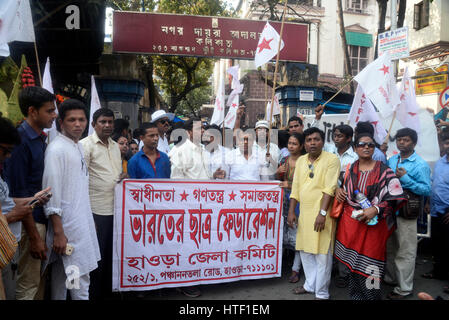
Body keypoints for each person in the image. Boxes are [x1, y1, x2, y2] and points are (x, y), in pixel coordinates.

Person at [334, 133, 406, 300]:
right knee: (353, 267)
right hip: (352, 226)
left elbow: (396, 197)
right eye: (361, 144)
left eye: (370, 145)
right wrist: (337, 190)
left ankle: (372, 297)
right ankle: (356, 297)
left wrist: (376, 209)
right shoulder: (350, 169)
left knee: (371, 267)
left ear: (374, 148)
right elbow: (340, 187)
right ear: (355, 148)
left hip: (374, 228)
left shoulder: (385, 171)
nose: (366, 147)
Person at [42, 99, 101, 300]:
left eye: (81, 120)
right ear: (61, 123)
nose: (78, 124)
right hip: (69, 231)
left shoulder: (76, 146)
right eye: (72, 120)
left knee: (62, 277)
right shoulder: (57, 150)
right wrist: (59, 232)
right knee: (79, 282)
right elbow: (51, 194)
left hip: (78, 225)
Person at [3, 86, 56, 300]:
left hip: (39, 219)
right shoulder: (20, 142)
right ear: (33, 111)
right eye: (49, 111)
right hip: (28, 223)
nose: (54, 115)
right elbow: (17, 196)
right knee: (28, 282)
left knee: (39, 280)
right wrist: (34, 237)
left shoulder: (41, 139)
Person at [287, 127, 340, 300]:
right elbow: (295, 187)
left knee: (322, 254)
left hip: (322, 214)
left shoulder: (332, 159)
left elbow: (330, 188)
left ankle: (322, 292)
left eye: (316, 139)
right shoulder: (301, 160)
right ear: (305, 143)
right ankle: (310, 285)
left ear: (322, 142)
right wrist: (291, 212)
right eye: (309, 140)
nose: (312, 143)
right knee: (305, 251)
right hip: (304, 213)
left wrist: (322, 213)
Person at [384, 128, 431, 299]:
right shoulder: (393, 160)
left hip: (407, 213)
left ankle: (404, 288)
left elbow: (426, 189)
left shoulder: (420, 164)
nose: (402, 143)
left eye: (406, 140)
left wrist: (406, 180)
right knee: (390, 248)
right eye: (400, 140)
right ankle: (391, 279)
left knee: (406, 251)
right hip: (390, 211)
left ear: (414, 142)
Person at [80, 108, 122, 300]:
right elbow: (80, 182)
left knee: (111, 257)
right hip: (96, 211)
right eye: (103, 122)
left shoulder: (114, 145)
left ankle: (108, 293)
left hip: (116, 210)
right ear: (94, 124)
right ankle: (93, 295)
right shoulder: (85, 146)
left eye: (110, 122)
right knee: (96, 259)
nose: (107, 125)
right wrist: (87, 216)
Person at [323, 124, 358, 288]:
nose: (336, 138)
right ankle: (327, 269)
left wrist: (343, 190)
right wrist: (335, 188)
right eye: (335, 135)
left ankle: (344, 273)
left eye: (340, 136)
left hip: (348, 202)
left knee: (345, 237)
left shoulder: (355, 157)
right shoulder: (328, 151)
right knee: (329, 234)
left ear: (349, 138)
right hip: (328, 199)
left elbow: (356, 180)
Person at [423, 130, 449, 292]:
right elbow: (433, 183)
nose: (448, 146)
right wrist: (427, 201)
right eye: (446, 143)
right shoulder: (440, 162)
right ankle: (439, 272)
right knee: (438, 244)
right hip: (436, 210)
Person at [276, 133, 304, 284]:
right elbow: (278, 181)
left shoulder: (305, 162)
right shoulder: (284, 159)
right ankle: (276, 266)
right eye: (290, 143)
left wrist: (290, 185)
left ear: (301, 146)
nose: (291, 146)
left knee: (298, 236)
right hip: (283, 201)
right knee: (281, 233)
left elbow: (308, 185)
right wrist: (278, 173)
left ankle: (296, 269)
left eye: (294, 143)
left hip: (299, 201)